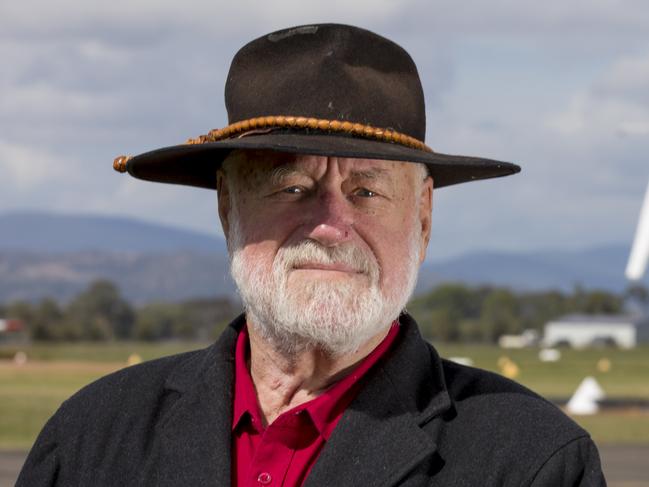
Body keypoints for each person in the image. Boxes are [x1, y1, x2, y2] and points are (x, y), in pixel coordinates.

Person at [17, 23, 606, 486]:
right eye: (291, 187)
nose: (331, 225)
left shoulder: (533, 462)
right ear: (227, 206)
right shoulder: (95, 435)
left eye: (368, 191)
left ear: (423, 216)